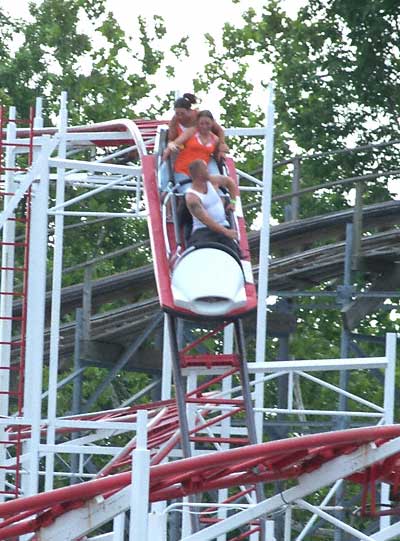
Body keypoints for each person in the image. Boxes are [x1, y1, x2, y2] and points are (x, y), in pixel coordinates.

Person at [184, 159, 240, 256]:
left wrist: (233, 202)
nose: (208, 171)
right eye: (206, 169)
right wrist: (226, 232)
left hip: (223, 226)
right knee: (202, 253)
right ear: (199, 174)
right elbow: (206, 220)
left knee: (233, 253)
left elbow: (230, 182)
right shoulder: (192, 197)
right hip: (203, 230)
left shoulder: (212, 181)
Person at [161, 110, 227, 192]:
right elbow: (175, 142)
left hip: (201, 172)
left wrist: (222, 151)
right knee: (191, 193)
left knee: (216, 192)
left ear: (212, 123)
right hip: (184, 169)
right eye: (201, 124)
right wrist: (169, 148)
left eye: (207, 124)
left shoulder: (215, 139)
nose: (204, 127)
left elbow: (218, 149)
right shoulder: (191, 131)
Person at [168, 93, 229, 159]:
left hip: (207, 152)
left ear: (189, 111)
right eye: (177, 113)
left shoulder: (202, 116)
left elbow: (219, 131)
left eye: (182, 113)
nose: (180, 116)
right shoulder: (174, 122)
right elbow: (171, 139)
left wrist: (221, 146)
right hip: (186, 154)